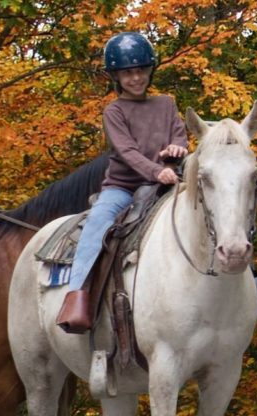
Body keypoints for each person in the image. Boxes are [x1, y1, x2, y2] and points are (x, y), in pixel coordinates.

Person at [55, 31, 188, 334]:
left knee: (209, 210)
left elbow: (179, 134)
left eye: (141, 70)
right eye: (128, 72)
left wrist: (178, 149)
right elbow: (127, 152)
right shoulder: (114, 111)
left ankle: (249, 282)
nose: (136, 77)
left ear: (150, 70)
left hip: (164, 185)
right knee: (96, 225)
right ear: (116, 75)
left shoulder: (166, 104)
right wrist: (157, 171)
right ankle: (76, 297)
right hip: (123, 188)